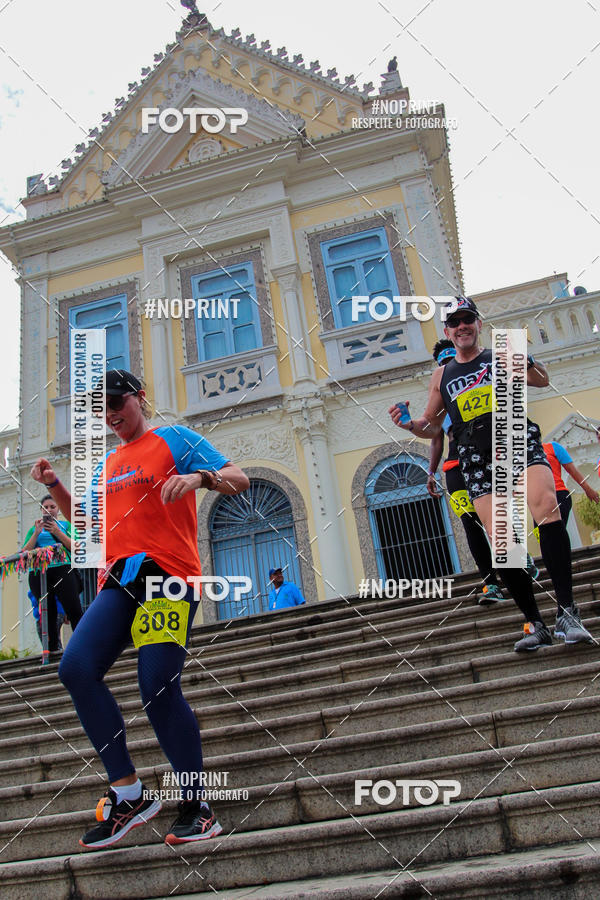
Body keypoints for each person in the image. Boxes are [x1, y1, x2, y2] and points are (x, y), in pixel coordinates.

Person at [31, 369, 249, 850]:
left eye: (117, 402)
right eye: (101, 409)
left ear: (140, 398)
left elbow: (239, 478)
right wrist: (58, 486)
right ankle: (129, 796)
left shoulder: (175, 439)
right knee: (76, 668)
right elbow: (86, 525)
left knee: (155, 685)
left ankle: (197, 805)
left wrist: (198, 477)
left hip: (168, 577)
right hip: (119, 580)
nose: (110, 414)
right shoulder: (107, 464)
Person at [390, 297, 593, 652]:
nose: (462, 326)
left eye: (467, 319)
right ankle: (536, 623)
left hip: (515, 435)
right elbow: (431, 425)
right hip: (474, 452)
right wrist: (409, 425)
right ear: (447, 331)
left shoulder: (502, 353)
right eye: (454, 322)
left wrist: (527, 360)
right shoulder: (442, 374)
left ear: (478, 323)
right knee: (504, 542)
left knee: (547, 506)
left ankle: (567, 612)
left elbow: (542, 380)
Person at [427, 340, 504, 605]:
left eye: (451, 358)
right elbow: (435, 436)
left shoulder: (482, 383)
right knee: (471, 524)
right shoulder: (442, 395)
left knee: (496, 518)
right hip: (455, 465)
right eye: (443, 362)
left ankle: (518, 564)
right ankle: (490, 584)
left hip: (485, 458)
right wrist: (430, 471)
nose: (448, 364)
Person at [22, 494, 83, 652]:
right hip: (39, 572)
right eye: (45, 507)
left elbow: (74, 547)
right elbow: (24, 553)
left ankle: (82, 645)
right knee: (47, 610)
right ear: (41, 510)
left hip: (63, 568)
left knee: (73, 608)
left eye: (52, 507)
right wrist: (36, 533)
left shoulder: (66, 525)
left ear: (58, 509)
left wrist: (56, 531)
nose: (48, 510)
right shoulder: (34, 529)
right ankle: (51, 648)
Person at [538, 440, 599, 527]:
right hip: (538, 501)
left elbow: (572, 470)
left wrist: (588, 489)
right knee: (541, 535)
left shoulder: (553, 447)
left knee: (556, 533)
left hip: (558, 495)